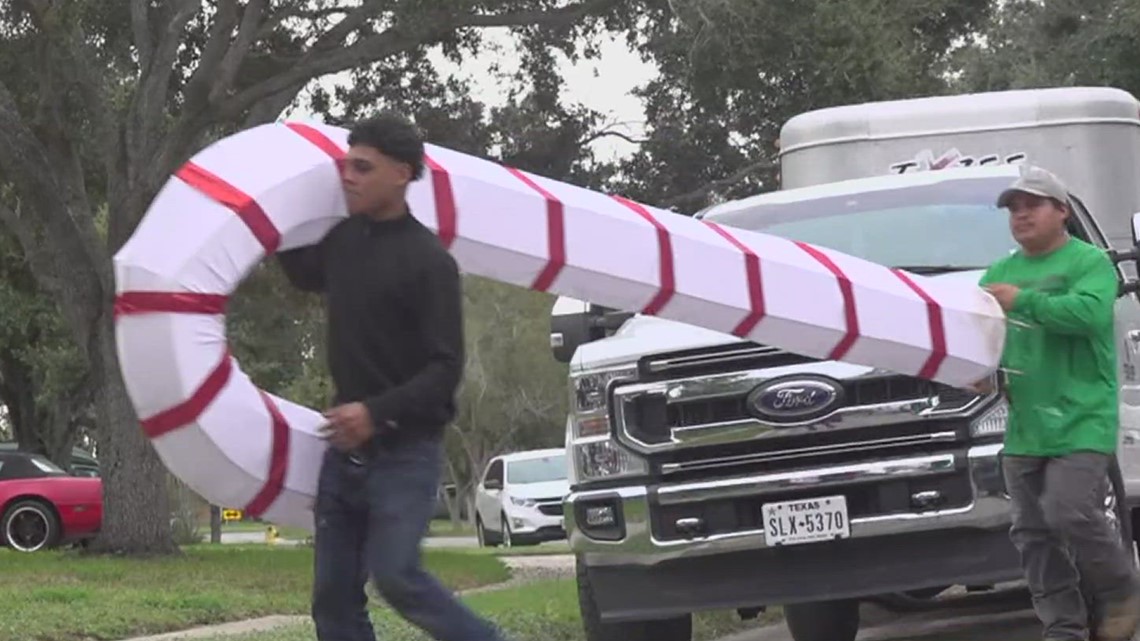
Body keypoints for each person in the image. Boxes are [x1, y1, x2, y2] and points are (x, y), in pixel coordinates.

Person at [277, 113, 507, 641]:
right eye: (345, 165)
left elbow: (445, 369)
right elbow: (299, 269)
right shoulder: (342, 242)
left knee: (398, 577)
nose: (348, 177)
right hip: (343, 457)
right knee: (332, 601)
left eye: (363, 167)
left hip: (406, 454)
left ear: (401, 174)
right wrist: (268, 209)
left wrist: (373, 413)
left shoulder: (430, 263)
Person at [977, 164, 1140, 641]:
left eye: (1032, 205)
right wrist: (979, 374)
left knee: (1069, 510)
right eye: (1013, 208)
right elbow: (986, 339)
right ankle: (1064, 628)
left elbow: (1089, 314)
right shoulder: (1000, 273)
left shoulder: (1088, 262)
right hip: (1026, 425)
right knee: (1032, 535)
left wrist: (1021, 301)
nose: (1021, 215)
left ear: (1062, 211)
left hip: (1082, 417)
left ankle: (1120, 591)